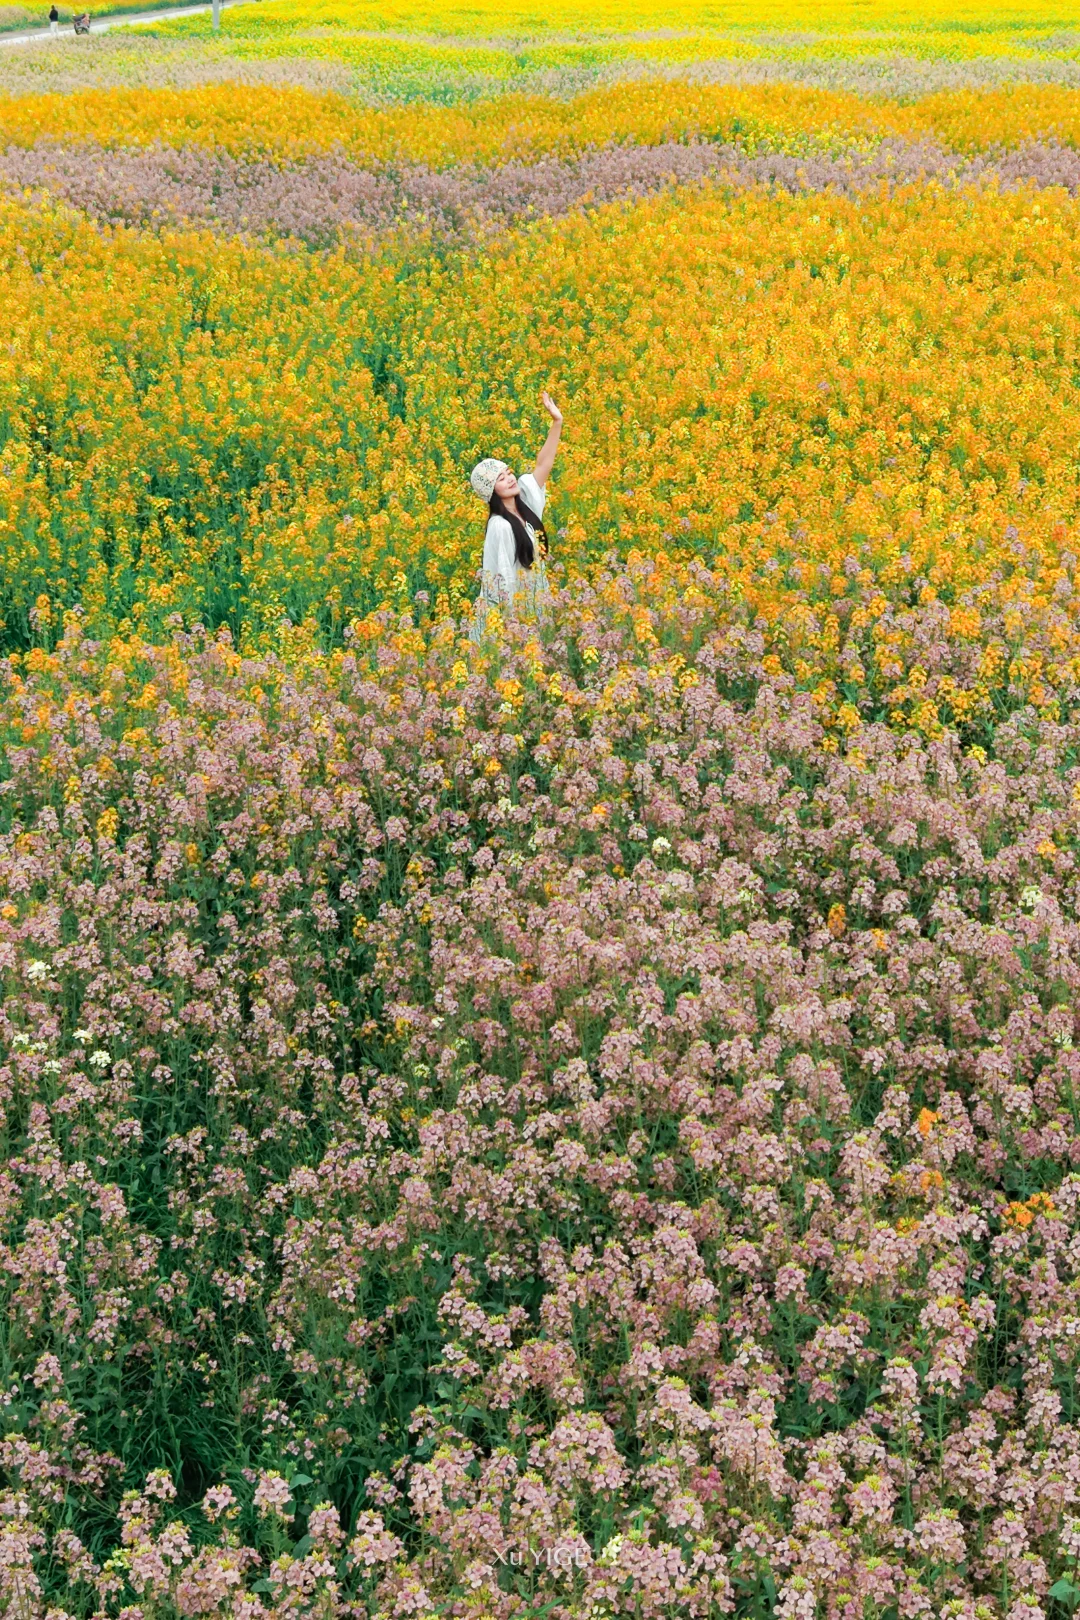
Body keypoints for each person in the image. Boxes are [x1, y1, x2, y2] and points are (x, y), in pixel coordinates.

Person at [470, 391, 563, 636]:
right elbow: (504, 579)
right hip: (515, 615)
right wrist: (516, 627)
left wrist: (557, 422)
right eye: (500, 479)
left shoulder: (527, 501)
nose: (510, 479)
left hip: (535, 600)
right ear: (491, 492)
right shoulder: (499, 525)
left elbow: (544, 464)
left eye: (508, 472)